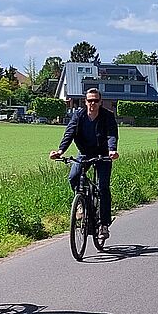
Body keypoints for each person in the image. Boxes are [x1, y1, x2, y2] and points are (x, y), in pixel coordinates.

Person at [49, 89, 119, 239]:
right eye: (90, 100)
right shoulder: (79, 115)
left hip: (103, 154)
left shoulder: (107, 116)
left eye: (95, 100)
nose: (92, 103)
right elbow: (69, 133)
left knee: (103, 187)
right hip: (85, 153)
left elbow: (111, 134)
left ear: (100, 102)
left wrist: (112, 150)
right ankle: (81, 202)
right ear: (85, 102)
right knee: (73, 177)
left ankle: (104, 225)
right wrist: (60, 151)